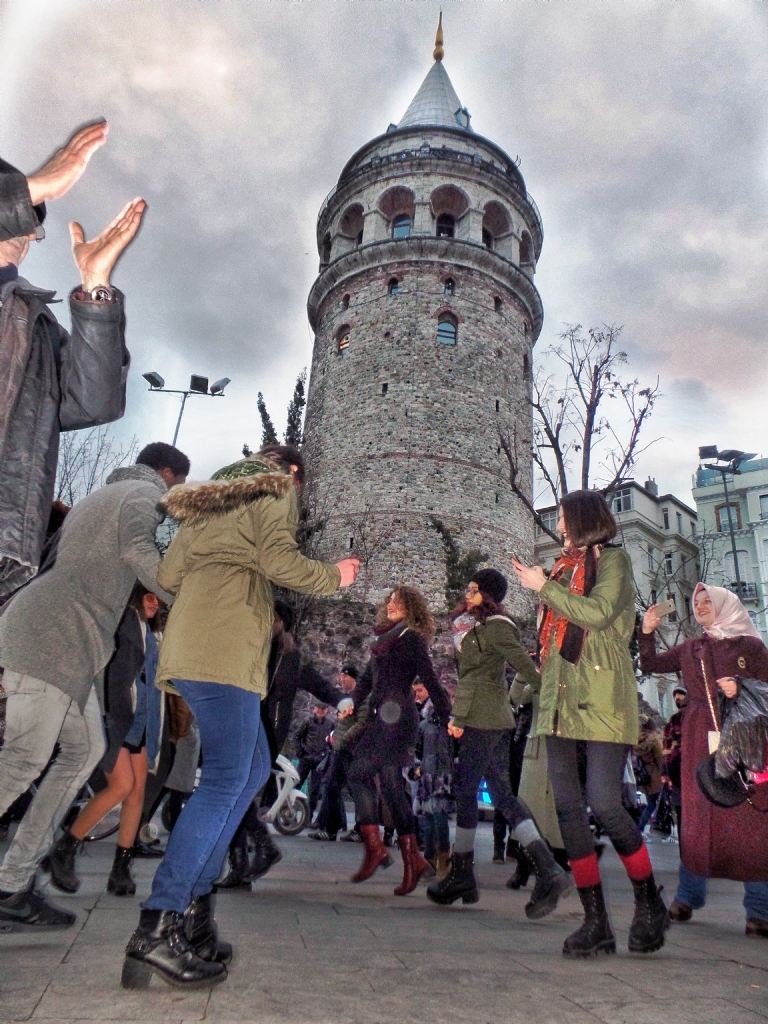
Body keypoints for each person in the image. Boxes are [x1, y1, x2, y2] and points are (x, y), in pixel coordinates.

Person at [120, 446, 359, 991]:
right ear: (291, 472)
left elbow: (171, 573)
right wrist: (336, 575)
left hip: (196, 644)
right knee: (228, 778)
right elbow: (280, 562)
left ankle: (196, 917)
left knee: (250, 771)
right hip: (224, 649)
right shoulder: (275, 488)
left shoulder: (204, 503)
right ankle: (159, 922)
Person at [0, 443, 188, 933]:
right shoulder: (141, 497)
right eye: (179, 487)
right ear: (168, 474)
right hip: (51, 641)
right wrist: (191, 600)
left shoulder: (105, 496)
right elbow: (142, 555)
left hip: (68, 645)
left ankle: (11, 883)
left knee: (84, 750)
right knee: (23, 760)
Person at [513, 490, 668, 958]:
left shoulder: (614, 562)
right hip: (558, 697)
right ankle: (595, 920)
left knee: (604, 802)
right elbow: (552, 634)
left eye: (563, 519)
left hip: (603, 695)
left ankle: (649, 903)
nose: (560, 527)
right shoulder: (561, 568)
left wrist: (544, 588)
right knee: (566, 810)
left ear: (582, 520)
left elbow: (599, 614)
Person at [0, 122, 146, 598]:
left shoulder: (34, 325)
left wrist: (96, 287)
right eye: (23, 219)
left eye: (33, 229)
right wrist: (31, 189)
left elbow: (93, 402)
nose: (28, 232)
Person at [427, 569, 570, 917]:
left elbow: (521, 663)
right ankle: (547, 867)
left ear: (488, 595)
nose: (467, 592)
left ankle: (464, 873)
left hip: (485, 717)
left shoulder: (497, 627)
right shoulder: (472, 627)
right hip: (485, 716)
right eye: (468, 587)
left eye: (474, 590)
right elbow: (472, 674)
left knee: (465, 790)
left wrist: (550, 695)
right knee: (503, 795)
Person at [640, 583, 768, 938]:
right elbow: (650, 664)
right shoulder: (691, 647)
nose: (701, 607)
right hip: (700, 738)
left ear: (727, 604)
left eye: (707, 600)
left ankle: (759, 910)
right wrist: (647, 631)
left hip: (743, 737)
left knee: (750, 820)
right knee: (698, 818)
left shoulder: (752, 647)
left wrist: (741, 687)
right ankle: (687, 895)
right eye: (696, 602)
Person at [45, 587, 164, 897]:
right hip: (113, 715)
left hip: (139, 719)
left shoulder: (146, 629)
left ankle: (120, 868)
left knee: (136, 791)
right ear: (136, 592)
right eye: (150, 595)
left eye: (159, 598)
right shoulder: (122, 618)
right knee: (122, 786)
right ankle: (65, 848)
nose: (156, 602)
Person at [215, 598, 342, 888]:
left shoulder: (291, 658)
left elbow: (319, 685)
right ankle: (242, 865)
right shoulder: (250, 649)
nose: (266, 623)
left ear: (282, 623)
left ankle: (258, 850)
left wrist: (343, 700)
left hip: (269, 736)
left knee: (236, 795)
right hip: (244, 730)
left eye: (272, 618)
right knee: (237, 796)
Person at [346, 586, 451, 896]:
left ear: (410, 608)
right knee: (391, 789)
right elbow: (367, 679)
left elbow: (429, 678)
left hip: (397, 719)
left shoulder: (411, 640)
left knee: (360, 774)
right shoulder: (382, 642)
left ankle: (380, 850)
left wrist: (449, 716)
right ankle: (412, 861)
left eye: (397, 601)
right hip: (381, 717)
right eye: (389, 600)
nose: (390, 604)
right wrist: (350, 701)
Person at [508, 674, 567, 887]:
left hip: (561, 750)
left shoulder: (570, 676)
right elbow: (514, 698)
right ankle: (522, 868)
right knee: (528, 811)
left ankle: (556, 867)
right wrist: (522, 673)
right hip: (535, 751)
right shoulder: (537, 679)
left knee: (555, 816)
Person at [309, 664, 360, 842]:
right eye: (341, 676)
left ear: (353, 677)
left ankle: (360, 829)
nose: (341, 679)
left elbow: (360, 723)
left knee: (357, 790)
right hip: (340, 749)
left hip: (352, 750)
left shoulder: (360, 697)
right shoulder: (345, 698)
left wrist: (344, 739)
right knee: (331, 787)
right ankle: (332, 828)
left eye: (345, 676)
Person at [410, 681, 453, 877]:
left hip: (444, 777)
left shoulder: (451, 725)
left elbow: (457, 752)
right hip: (427, 777)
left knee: (440, 818)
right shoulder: (423, 725)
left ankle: (443, 857)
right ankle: (429, 858)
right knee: (428, 819)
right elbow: (415, 750)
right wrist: (416, 768)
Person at [296, 703, 334, 821]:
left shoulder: (330, 724)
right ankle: (288, 811)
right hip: (306, 758)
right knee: (296, 784)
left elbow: (332, 739)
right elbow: (297, 736)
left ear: (327, 710)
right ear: (314, 709)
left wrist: (328, 754)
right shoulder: (307, 721)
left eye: (323, 709)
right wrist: (300, 752)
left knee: (314, 790)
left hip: (320, 761)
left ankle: (308, 817)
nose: (321, 711)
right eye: (319, 708)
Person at [661, 685, 688, 834]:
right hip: (677, 770)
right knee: (680, 807)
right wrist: (664, 771)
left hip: (692, 767)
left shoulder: (696, 717)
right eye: (676, 696)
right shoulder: (673, 720)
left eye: (681, 695)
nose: (678, 698)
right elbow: (666, 747)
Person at [634, 719, 664, 838]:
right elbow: (660, 758)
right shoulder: (654, 740)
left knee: (651, 803)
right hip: (655, 775)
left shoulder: (638, 740)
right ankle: (648, 828)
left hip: (644, 775)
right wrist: (665, 773)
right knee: (659, 802)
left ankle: (641, 828)